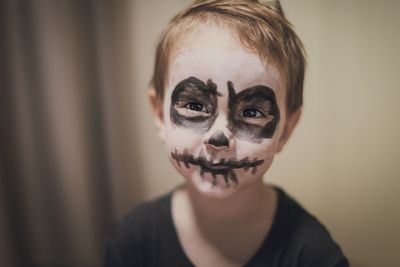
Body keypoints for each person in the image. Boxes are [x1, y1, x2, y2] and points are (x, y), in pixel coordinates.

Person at [105, 0, 349, 266]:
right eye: (196, 106)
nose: (218, 138)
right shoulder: (132, 242)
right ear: (159, 114)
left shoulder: (313, 255)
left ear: (286, 130)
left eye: (251, 112)